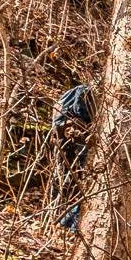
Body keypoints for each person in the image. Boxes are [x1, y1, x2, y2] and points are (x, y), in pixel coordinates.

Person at [51, 85, 93, 231]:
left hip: (62, 139)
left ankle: (60, 219)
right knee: (85, 182)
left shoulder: (70, 93)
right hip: (75, 138)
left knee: (64, 180)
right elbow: (80, 111)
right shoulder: (85, 91)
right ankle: (71, 225)